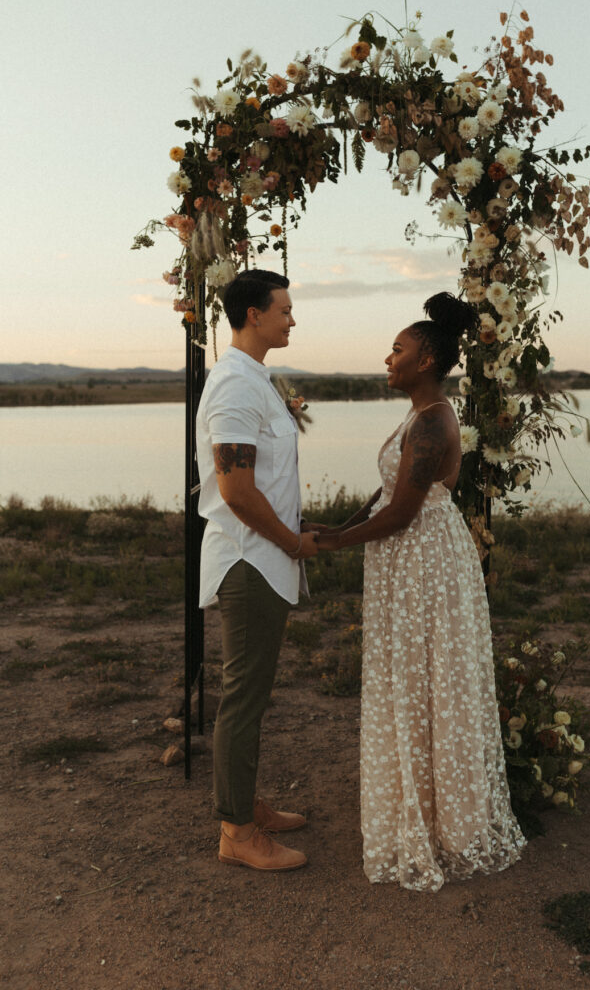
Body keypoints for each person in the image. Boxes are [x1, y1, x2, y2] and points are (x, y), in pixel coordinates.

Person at [318, 292, 526, 891]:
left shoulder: (435, 419)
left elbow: (404, 513)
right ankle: (426, 809)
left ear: (427, 357)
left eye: (398, 350)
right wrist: (340, 525)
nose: (388, 358)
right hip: (409, 562)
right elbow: (386, 495)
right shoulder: (419, 414)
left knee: (430, 678)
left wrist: (330, 545)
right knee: (414, 677)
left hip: (425, 564)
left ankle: (451, 825)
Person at [196, 269, 318, 873]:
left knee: (254, 694)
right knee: (243, 699)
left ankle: (245, 804)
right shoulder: (234, 386)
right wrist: (291, 541)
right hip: (248, 559)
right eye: (284, 309)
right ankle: (237, 832)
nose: (292, 318)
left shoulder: (257, 378)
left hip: (266, 555)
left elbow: (265, 478)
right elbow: (237, 489)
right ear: (252, 314)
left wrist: (296, 528)